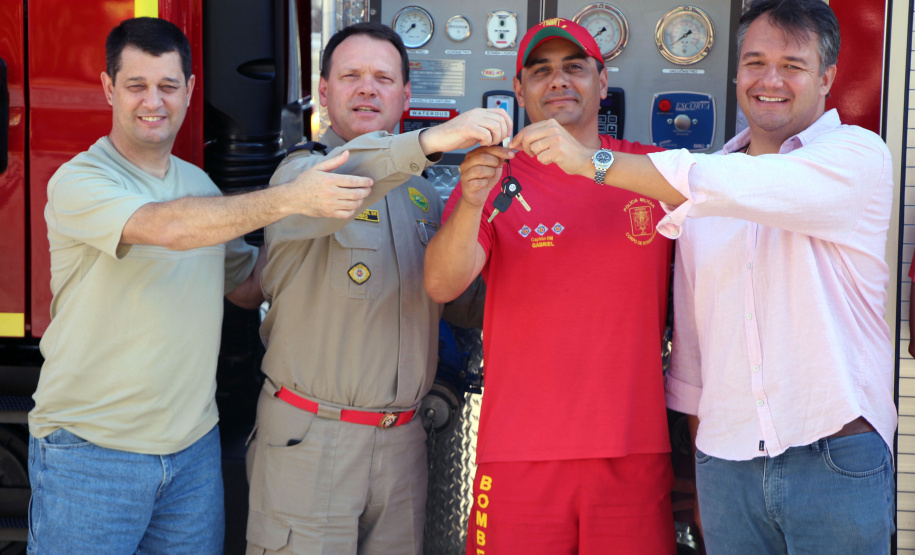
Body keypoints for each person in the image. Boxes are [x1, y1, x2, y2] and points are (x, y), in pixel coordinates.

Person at [507, 0, 897, 552]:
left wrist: (591, 163)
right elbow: (692, 358)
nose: (770, 80)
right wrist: (702, 468)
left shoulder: (857, 156)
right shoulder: (697, 194)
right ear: (735, 72)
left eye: (793, 64)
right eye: (756, 62)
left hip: (833, 455)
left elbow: (746, 185)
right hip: (726, 467)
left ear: (828, 77)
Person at [28, 17, 374, 555]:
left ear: (190, 90)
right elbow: (169, 229)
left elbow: (245, 287)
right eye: (136, 86)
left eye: (168, 86)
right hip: (93, 456)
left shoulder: (199, 186)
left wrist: (321, 230)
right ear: (107, 88)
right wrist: (291, 200)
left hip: (192, 456)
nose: (154, 101)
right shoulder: (80, 180)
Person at [244, 22, 511, 554]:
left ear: (405, 95)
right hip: (312, 443)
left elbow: (453, 299)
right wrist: (433, 141)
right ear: (324, 92)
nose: (368, 88)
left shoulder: (424, 198)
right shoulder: (299, 173)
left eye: (383, 78)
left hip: (404, 446)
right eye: (352, 76)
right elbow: (349, 177)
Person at [423, 18, 676, 554]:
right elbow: (442, 284)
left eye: (574, 68)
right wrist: (470, 202)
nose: (558, 81)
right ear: (519, 90)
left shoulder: (653, 172)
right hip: (519, 454)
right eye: (541, 71)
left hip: (633, 452)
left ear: (602, 82)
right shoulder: (495, 178)